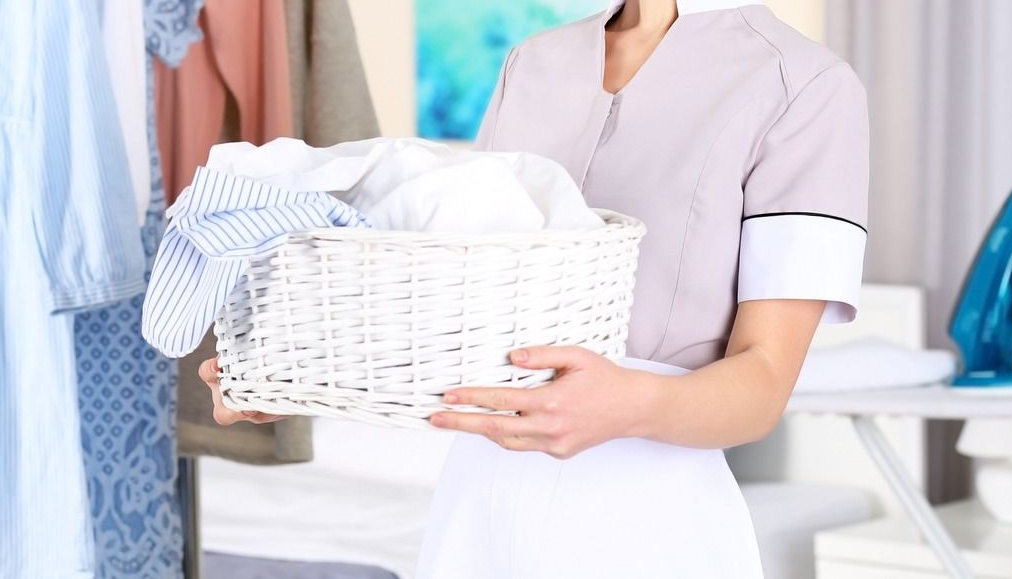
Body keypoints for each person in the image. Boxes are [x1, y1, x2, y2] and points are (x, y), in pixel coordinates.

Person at [198, 0, 868, 575]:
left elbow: (764, 383)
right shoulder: (533, 63)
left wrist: (626, 405)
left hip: (646, 519)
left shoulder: (805, 86)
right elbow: (460, 302)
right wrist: (305, 373)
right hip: (475, 507)